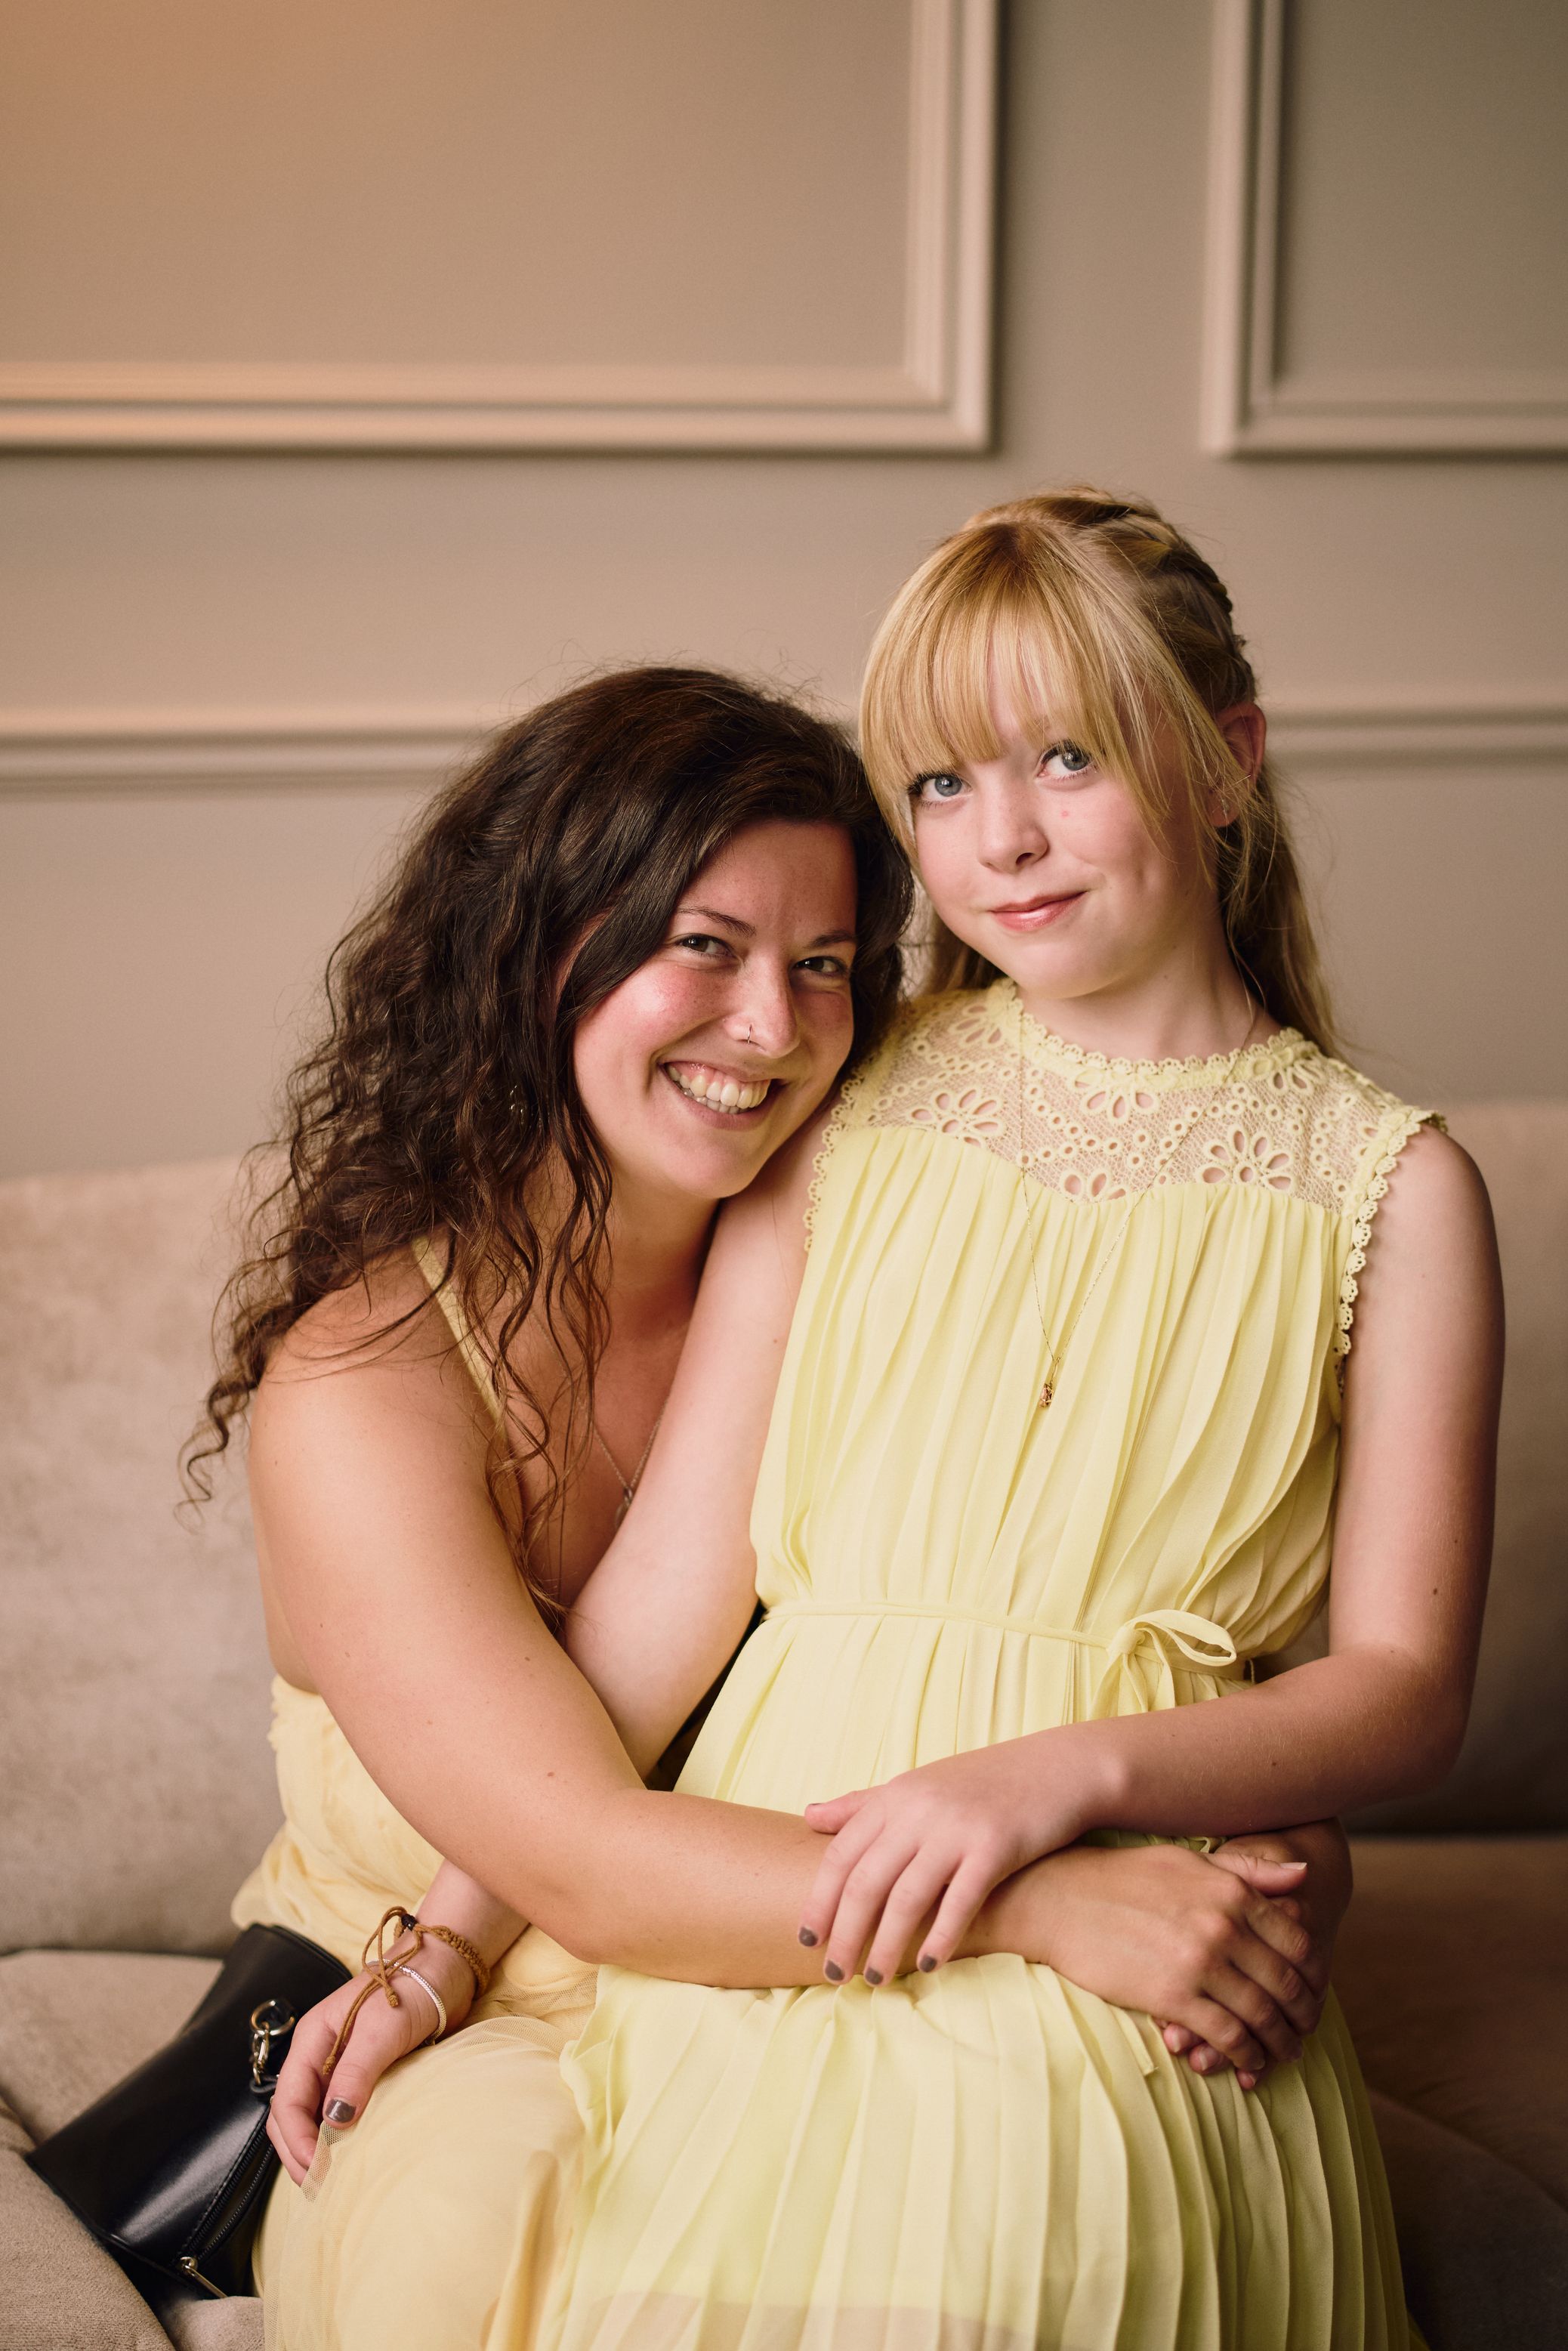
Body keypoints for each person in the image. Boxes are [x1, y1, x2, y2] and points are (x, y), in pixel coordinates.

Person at [233, 653, 1354, 2351]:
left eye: (824, 963)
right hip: (482, 2008)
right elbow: (584, 1856)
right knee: (484, 2242)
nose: (770, 1028)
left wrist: (1280, 1853)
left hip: (860, 1980)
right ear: (537, 949)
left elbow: (1112, 1618)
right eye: (705, 945)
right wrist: (1041, 1905)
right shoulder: (363, 1386)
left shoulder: (880, 1231)